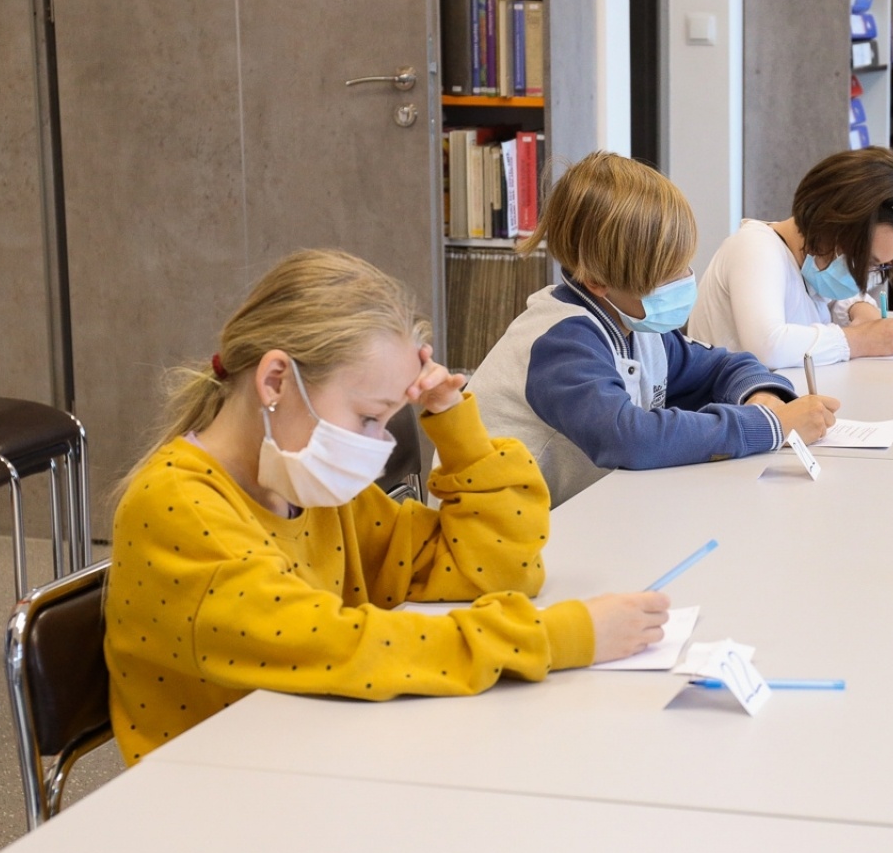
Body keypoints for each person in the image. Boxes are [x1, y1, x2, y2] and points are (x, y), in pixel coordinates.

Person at [106, 249, 669, 764]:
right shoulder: (178, 510)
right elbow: (345, 645)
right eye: (369, 417)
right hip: (215, 794)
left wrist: (453, 417)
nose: (378, 443)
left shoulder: (309, 489)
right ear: (275, 380)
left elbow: (494, 569)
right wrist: (559, 637)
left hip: (315, 758)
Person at [467, 151, 839, 506]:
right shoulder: (561, 343)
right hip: (493, 529)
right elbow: (630, 438)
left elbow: (725, 366)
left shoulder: (638, 327)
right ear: (597, 280)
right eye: (666, 274)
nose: (686, 279)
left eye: (684, 264)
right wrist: (768, 425)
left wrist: (761, 396)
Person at [687, 146, 893, 369]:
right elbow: (768, 346)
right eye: (865, 261)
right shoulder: (754, 248)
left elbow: (831, 298)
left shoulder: (812, 262)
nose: (864, 275)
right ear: (830, 226)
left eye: (879, 266)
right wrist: (861, 339)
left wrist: (861, 311)